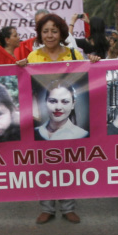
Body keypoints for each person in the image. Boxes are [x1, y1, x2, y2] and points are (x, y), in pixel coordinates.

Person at [32, 80, 87, 224]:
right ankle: (46, 210)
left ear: (73, 104)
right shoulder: (35, 133)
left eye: (65, 101)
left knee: (67, 173)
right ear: (45, 103)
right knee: (43, 174)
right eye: (52, 101)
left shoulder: (81, 134)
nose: (58, 107)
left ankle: (68, 209)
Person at [18, 14, 95, 64]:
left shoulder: (74, 55)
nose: (49, 35)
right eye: (45, 31)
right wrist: (20, 70)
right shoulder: (33, 57)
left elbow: (84, 82)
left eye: (54, 31)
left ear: (62, 34)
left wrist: (93, 64)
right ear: (40, 34)